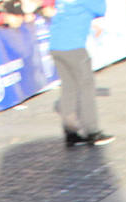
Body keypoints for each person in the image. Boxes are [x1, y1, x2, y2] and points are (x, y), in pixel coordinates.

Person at [47, 0, 113, 145]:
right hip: (74, 46)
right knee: (86, 87)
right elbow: (101, 9)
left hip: (56, 45)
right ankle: (92, 131)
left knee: (68, 88)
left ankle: (71, 133)